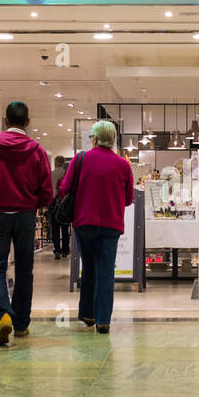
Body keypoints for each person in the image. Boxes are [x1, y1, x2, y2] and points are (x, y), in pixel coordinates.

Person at [0, 101, 53, 346]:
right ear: (27, 122)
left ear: (5, 121)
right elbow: (46, 187)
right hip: (26, 214)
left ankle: (3, 312)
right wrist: (38, 203)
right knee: (25, 269)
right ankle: (22, 324)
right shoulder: (36, 150)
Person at [61, 120, 134, 334]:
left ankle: (88, 314)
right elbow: (128, 199)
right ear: (113, 139)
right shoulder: (123, 165)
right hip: (111, 225)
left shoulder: (81, 159)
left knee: (89, 267)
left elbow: (66, 187)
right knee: (106, 270)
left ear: (94, 137)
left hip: (84, 223)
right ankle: (104, 320)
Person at [49, 154, 71, 259]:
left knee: (55, 229)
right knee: (65, 228)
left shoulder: (51, 174)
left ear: (55, 163)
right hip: (64, 204)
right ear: (63, 163)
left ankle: (57, 250)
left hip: (53, 203)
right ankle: (65, 250)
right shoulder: (67, 174)